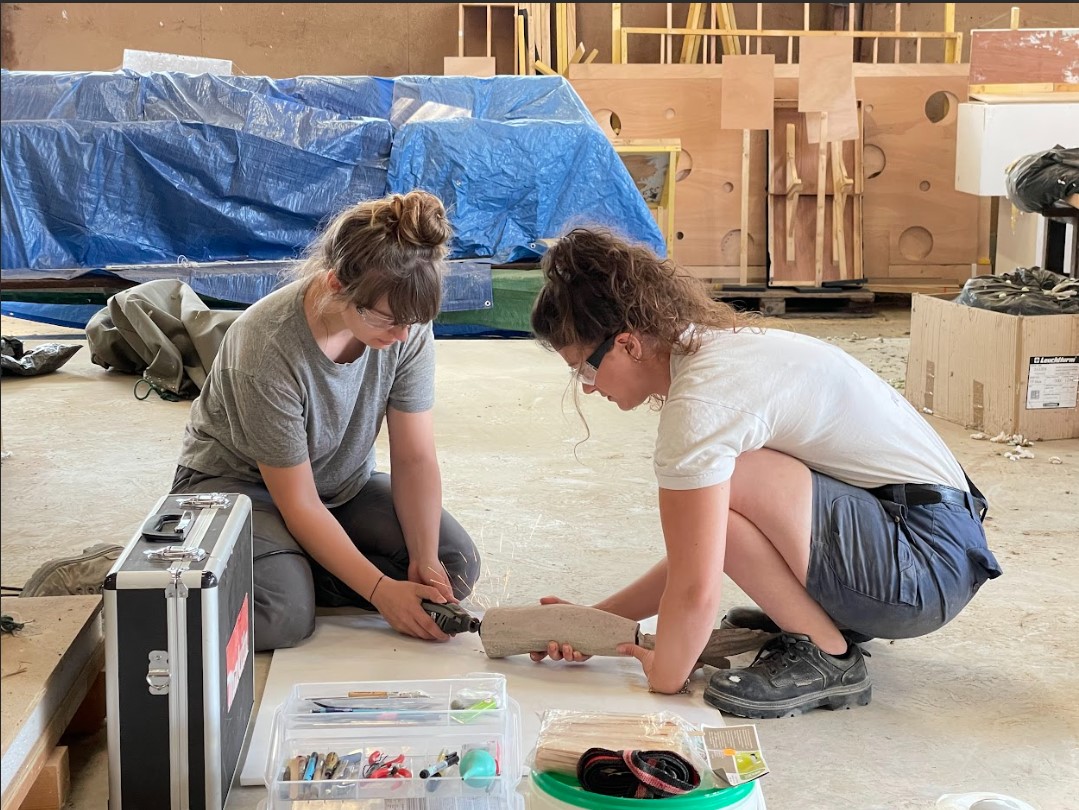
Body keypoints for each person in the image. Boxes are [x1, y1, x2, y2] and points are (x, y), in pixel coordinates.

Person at [527, 227, 1002, 719]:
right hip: (931, 549)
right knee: (715, 505)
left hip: (920, 571)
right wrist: (592, 621)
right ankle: (815, 619)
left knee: (731, 480)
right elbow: (703, 551)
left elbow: (696, 583)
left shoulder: (701, 401)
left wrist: (666, 673)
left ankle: (828, 654)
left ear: (628, 344)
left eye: (584, 369)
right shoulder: (712, 353)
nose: (586, 389)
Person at [171, 190, 480, 651]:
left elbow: (415, 458)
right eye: (389, 321)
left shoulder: (405, 323)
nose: (400, 336)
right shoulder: (265, 346)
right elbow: (298, 504)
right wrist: (380, 590)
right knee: (284, 615)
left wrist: (423, 559)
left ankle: (294, 564)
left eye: (412, 323)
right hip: (239, 488)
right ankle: (147, 567)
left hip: (339, 485)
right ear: (337, 284)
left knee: (451, 565)